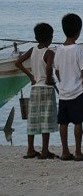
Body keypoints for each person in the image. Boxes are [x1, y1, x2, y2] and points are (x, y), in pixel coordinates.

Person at [15, 23, 58, 159]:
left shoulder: (32, 50)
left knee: (33, 118)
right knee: (46, 118)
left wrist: (30, 76)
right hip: (46, 88)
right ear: (50, 37)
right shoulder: (49, 52)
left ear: (36, 37)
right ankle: (45, 150)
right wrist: (50, 79)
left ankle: (30, 149)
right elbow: (49, 67)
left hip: (34, 88)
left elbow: (18, 62)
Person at [54, 13, 83, 161]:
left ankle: (64, 151)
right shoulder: (79, 49)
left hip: (64, 92)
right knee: (78, 122)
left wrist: (61, 81)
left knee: (63, 123)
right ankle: (77, 152)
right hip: (78, 91)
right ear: (79, 31)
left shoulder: (59, 49)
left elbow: (56, 70)